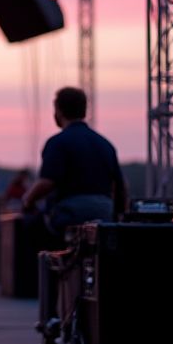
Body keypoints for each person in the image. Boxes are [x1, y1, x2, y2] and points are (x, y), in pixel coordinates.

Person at [23, 87, 127, 237]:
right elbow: (121, 187)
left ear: (58, 111)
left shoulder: (57, 143)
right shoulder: (106, 144)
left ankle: (47, 260)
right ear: (84, 110)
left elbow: (47, 183)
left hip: (70, 214)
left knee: (30, 226)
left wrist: (28, 200)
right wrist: (118, 216)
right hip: (104, 213)